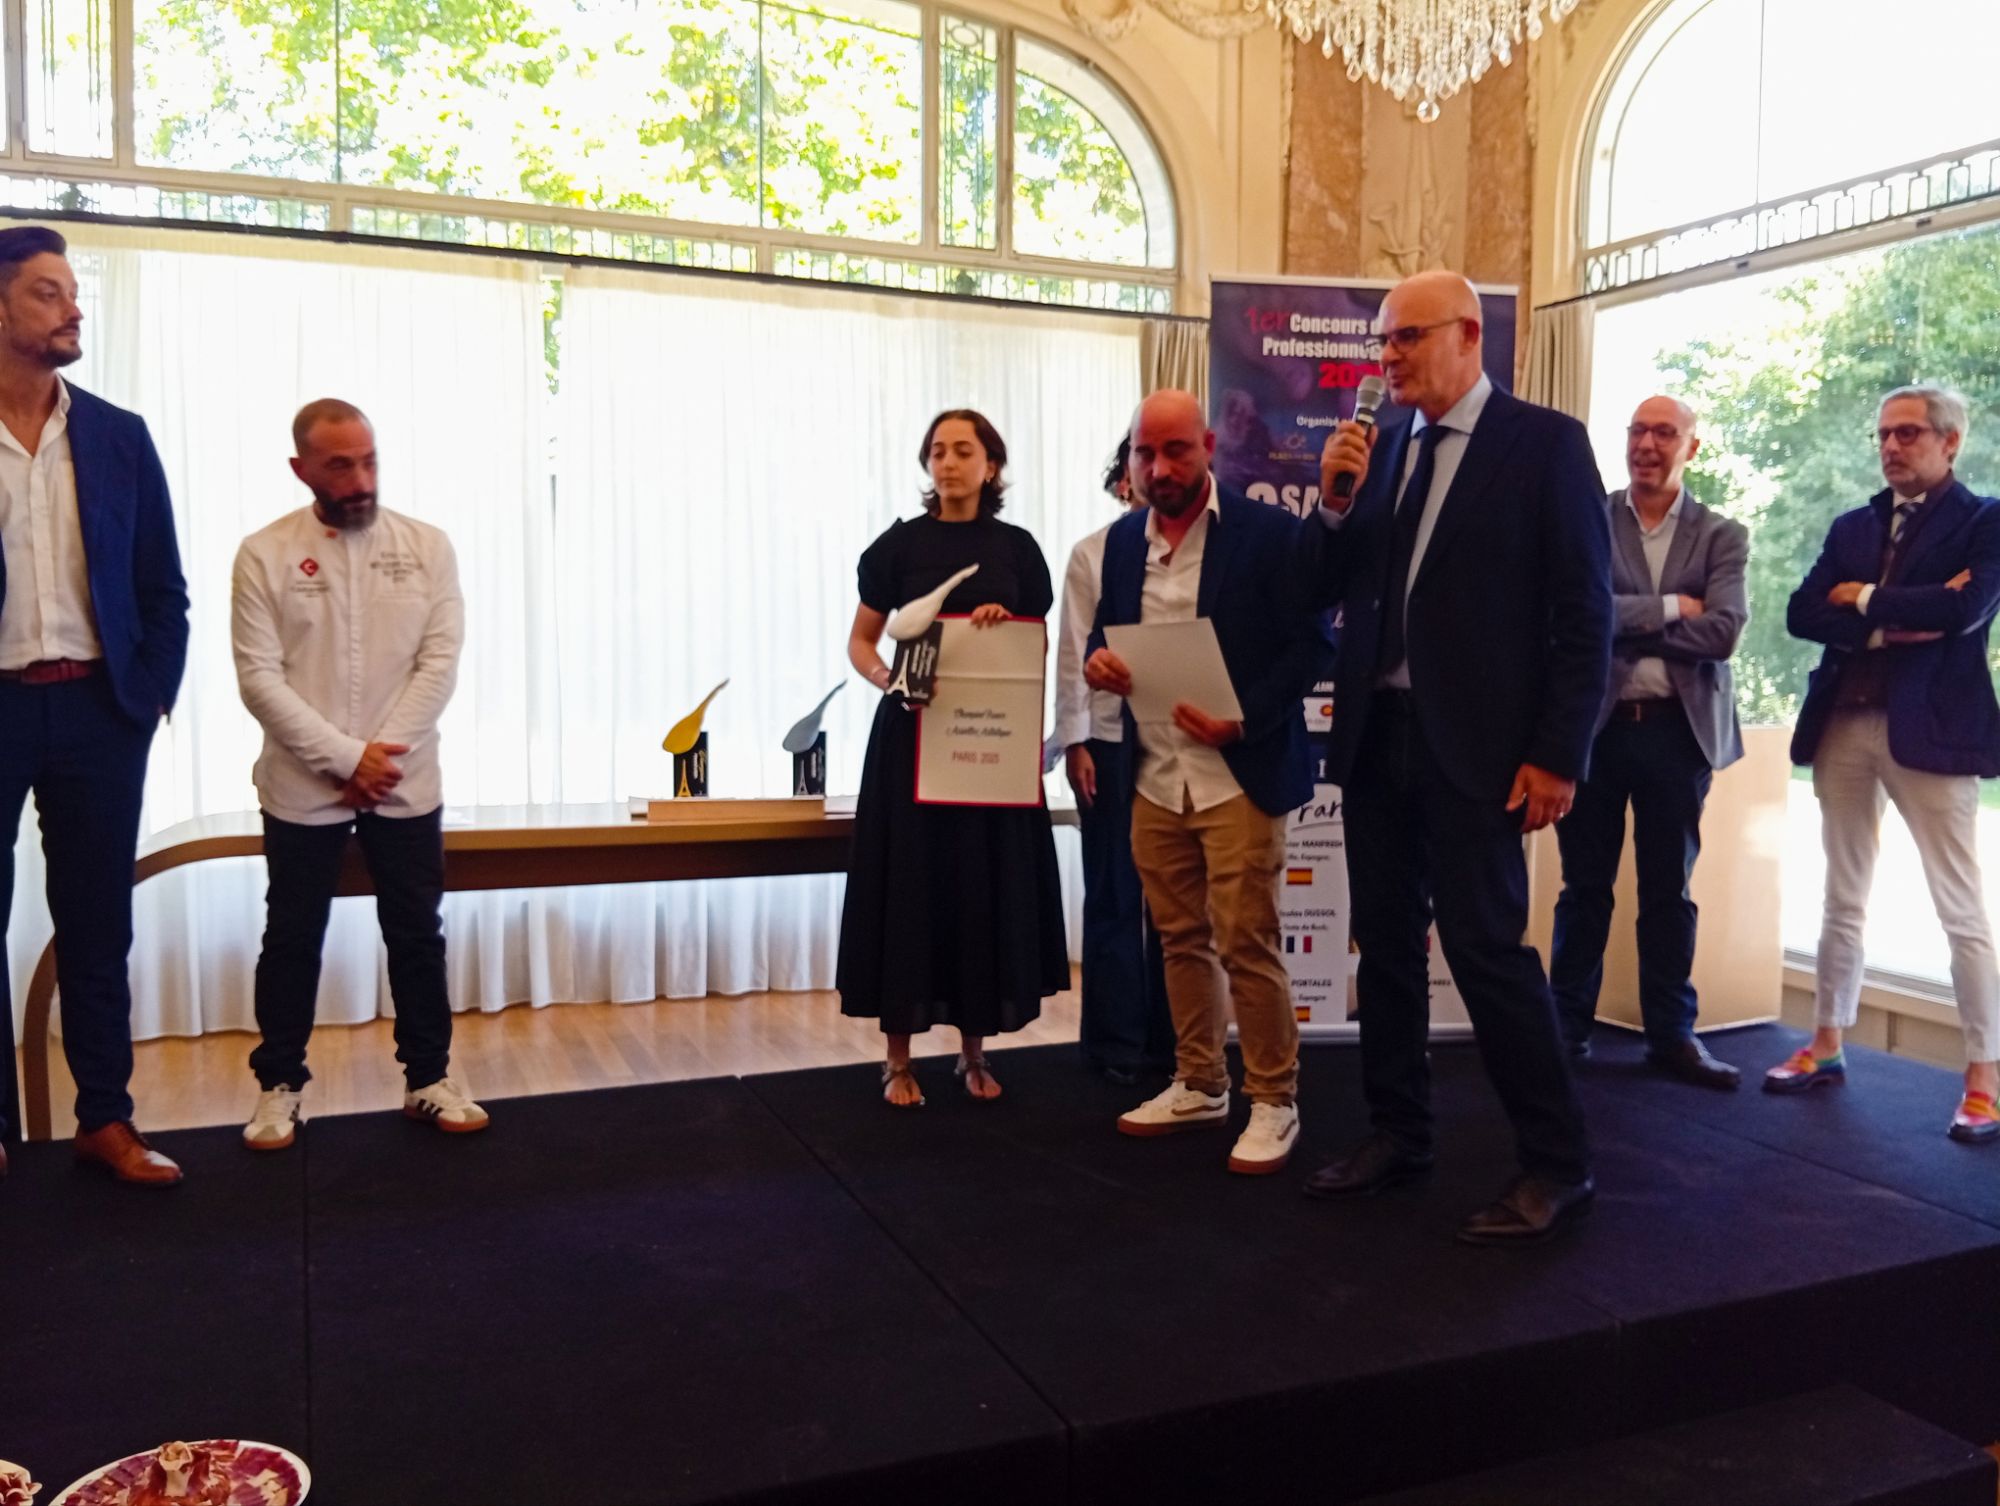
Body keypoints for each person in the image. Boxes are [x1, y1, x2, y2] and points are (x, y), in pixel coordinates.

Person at [1303, 271, 1611, 1244]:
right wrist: (1334, 504)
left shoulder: (1544, 444)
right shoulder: (1384, 447)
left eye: (1405, 337)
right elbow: (1326, 586)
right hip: (1378, 737)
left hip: (1480, 750)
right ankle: (1399, 1134)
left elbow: (1584, 612)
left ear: (1468, 335)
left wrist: (1557, 754)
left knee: (1485, 951)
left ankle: (1556, 1163)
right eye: (1382, 342)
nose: (1385, 357)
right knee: (1385, 947)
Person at [1085, 389, 1333, 1176]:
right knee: (1178, 939)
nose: (1159, 468)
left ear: (1210, 448)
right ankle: (1199, 1083)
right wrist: (1099, 663)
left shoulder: (1269, 535)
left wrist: (1244, 721)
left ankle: (1275, 1099)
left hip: (1237, 775)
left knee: (1247, 942)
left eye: (1175, 450)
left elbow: (1314, 647)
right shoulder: (1120, 544)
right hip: (1154, 776)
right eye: (1144, 453)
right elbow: (1103, 636)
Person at [231, 399, 485, 1150]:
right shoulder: (263, 554)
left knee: (416, 932)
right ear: (301, 469)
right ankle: (279, 1086)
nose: (360, 479)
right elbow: (258, 677)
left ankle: (429, 1078)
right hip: (303, 783)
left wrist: (380, 758)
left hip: (404, 780)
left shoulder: (428, 547)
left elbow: (439, 663)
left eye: (369, 460)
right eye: (340, 465)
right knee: (292, 934)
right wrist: (345, 759)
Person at [0, 226, 189, 1187]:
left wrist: (146, 697)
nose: (74, 308)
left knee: (97, 923)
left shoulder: (118, 435)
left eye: (73, 291)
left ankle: (105, 1120)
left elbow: (163, 587)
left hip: (98, 713)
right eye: (48, 292)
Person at [1768, 385, 2000, 1143]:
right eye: (1883, 436)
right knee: (1842, 895)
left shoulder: (1985, 520)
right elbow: (1802, 612)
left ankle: (1985, 1079)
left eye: (1908, 433)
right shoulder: (1853, 523)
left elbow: (1963, 611)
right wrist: (1896, 619)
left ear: (1950, 441)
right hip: (1844, 726)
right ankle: (1827, 1042)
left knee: (1960, 910)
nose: (1891, 447)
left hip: (1933, 733)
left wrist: (1862, 597)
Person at [838, 408, 1069, 1106]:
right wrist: (890, 681)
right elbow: (861, 643)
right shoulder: (897, 548)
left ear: (990, 465)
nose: (948, 462)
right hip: (910, 741)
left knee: (980, 887)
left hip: (989, 744)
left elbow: (1036, 645)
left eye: (963, 450)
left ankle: (973, 1053)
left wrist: (1004, 628)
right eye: (937, 451)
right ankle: (897, 1060)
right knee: (909, 886)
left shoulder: (1017, 550)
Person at [1550, 396, 1749, 1089]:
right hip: (1596, 731)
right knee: (1584, 887)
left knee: (1670, 891)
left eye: (1665, 433)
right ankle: (1564, 1029)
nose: (1647, 444)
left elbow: (1724, 631)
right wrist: (1669, 609)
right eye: (1638, 430)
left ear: (1692, 447)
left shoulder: (1722, 534)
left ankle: (1672, 1035)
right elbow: (1573, 613)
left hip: (1677, 735)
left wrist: (1621, 625)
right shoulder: (1591, 518)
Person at [1055, 436, 1173, 1085]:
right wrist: (1074, 743)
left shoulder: (1195, 551)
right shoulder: (1092, 552)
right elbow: (1073, 652)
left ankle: (1171, 1044)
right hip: (1104, 740)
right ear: (1123, 481)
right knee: (1113, 891)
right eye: (1141, 464)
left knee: (1174, 897)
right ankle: (1115, 1045)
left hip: (1176, 736)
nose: (1155, 475)